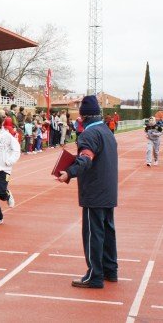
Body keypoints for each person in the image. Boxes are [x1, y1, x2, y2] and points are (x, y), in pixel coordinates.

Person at [58, 95, 118, 289]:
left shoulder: (89, 135)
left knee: (93, 233)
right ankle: (110, 270)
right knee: (108, 231)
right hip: (108, 191)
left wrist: (69, 172)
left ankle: (94, 275)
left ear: (83, 117)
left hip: (94, 192)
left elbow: (86, 159)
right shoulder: (107, 132)